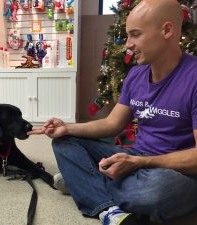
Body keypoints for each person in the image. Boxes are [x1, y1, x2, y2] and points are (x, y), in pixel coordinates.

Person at [27, 0, 197, 224]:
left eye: (135, 34)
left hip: (172, 172)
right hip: (136, 158)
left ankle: (85, 185)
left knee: (162, 192)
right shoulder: (136, 75)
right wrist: (66, 127)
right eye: (128, 35)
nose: (128, 44)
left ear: (166, 30)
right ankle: (108, 206)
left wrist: (140, 163)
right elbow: (112, 124)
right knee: (64, 142)